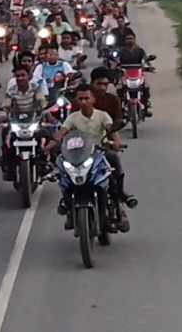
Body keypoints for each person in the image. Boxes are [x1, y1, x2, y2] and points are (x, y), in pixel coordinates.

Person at [46, 84, 135, 229]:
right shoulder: (73, 118)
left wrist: (117, 142)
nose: (83, 101)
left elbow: (112, 131)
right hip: (78, 154)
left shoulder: (102, 115)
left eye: (87, 98)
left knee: (114, 159)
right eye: (80, 99)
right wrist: (51, 144)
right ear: (76, 100)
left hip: (99, 152)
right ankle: (67, 204)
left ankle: (120, 194)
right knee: (62, 170)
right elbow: (62, 132)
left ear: (93, 99)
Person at [115, 28, 153, 115]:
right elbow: (116, 60)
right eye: (127, 39)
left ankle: (145, 106)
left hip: (138, 74)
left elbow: (145, 60)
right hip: (125, 74)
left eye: (131, 38)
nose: (129, 40)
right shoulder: (121, 51)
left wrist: (149, 67)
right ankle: (120, 108)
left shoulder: (140, 51)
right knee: (119, 89)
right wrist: (115, 66)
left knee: (146, 87)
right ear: (125, 41)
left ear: (135, 39)